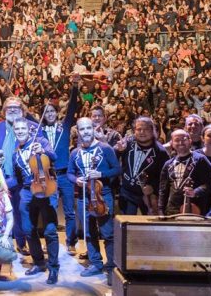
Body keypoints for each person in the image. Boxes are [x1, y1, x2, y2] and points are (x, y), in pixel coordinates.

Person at [0, 97, 39, 253]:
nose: (13, 110)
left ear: (23, 110)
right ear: (4, 111)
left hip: (25, 178)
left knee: (26, 214)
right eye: (9, 108)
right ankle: (19, 244)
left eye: (16, 107)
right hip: (4, 177)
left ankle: (32, 244)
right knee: (10, 212)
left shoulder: (33, 127)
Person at [68, 117, 119, 277]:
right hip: (84, 197)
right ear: (78, 131)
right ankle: (96, 263)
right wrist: (76, 180)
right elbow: (69, 173)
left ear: (93, 129)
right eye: (82, 129)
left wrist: (101, 174)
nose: (86, 132)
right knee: (89, 232)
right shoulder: (75, 152)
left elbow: (117, 169)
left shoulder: (105, 148)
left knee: (108, 233)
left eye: (88, 128)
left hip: (103, 195)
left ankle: (111, 267)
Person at [11, 119, 59, 284]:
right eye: (17, 129)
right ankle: (39, 262)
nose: (20, 131)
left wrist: (43, 151)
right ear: (14, 132)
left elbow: (54, 156)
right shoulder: (15, 154)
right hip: (26, 190)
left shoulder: (41, 141)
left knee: (50, 230)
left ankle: (53, 268)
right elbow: (16, 178)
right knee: (28, 229)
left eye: (23, 128)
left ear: (29, 129)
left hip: (46, 186)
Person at [40, 77, 80, 256]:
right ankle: (50, 241)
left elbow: (72, 107)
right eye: (46, 111)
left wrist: (74, 86)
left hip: (65, 175)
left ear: (56, 113)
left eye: (52, 111)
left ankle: (71, 242)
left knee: (70, 211)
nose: (49, 114)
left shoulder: (64, 127)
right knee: (50, 209)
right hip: (49, 175)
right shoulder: (39, 131)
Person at [115, 117, 168, 215]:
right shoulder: (127, 143)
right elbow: (112, 159)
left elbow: (165, 176)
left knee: (149, 226)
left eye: (146, 129)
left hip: (148, 196)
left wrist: (153, 187)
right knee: (127, 224)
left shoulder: (160, 152)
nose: (142, 132)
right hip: (127, 193)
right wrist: (118, 151)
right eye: (139, 129)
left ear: (153, 131)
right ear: (134, 131)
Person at [158, 129, 211, 215]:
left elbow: (209, 184)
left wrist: (195, 192)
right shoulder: (168, 164)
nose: (181, 142)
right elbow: (163, 190)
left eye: (184, 139)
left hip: (195, 209)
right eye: (177, 140)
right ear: (172, 143)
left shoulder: (200, 159)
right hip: (171, 210)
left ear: (190, 141)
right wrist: (161, 210)